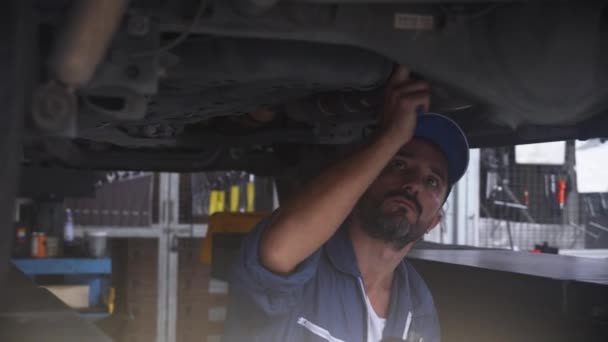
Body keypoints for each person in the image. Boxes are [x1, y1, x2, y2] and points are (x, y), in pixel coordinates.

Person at [223, 65, 470, 342]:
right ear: (362, 181)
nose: (414, 183)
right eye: (398, 163)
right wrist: (391, 137)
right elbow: (277, 251)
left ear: (435, 222)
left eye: (433, 182)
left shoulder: (418, 303)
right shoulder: (307, 261)